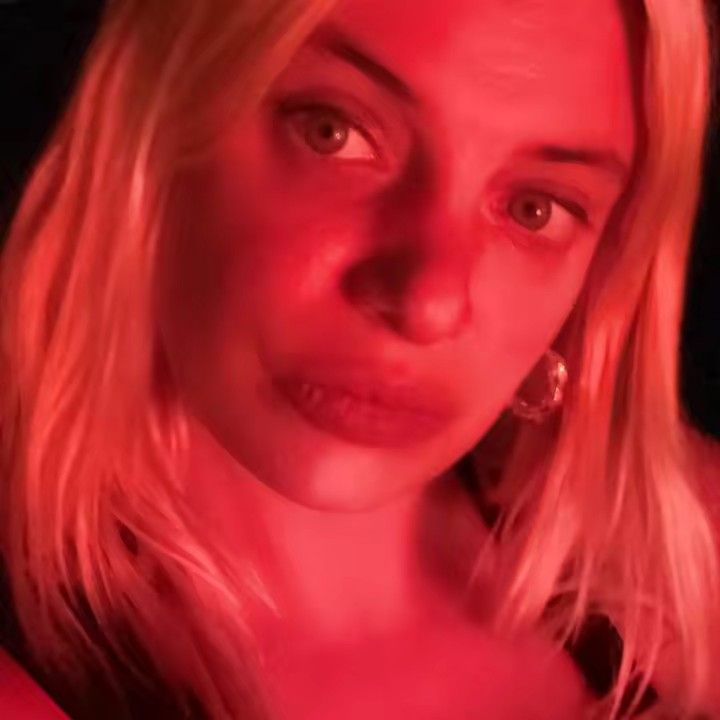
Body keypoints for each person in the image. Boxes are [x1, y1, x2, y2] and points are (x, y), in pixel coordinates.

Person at [0, 0, 718, 717]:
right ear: (149, 119)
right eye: (333, 132)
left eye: (536, 207)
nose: (427, 301)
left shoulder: (681, 561)